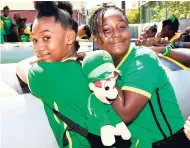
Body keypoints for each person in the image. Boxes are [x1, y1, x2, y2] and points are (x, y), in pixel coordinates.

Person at [89, 5, 187, 148]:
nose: (116, 34)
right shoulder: (107, 62)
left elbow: (125, 114)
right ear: (96, 38)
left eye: (121, 27)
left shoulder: (142, 59)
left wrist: (100, 69)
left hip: (166, 142)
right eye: (107, 30)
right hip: (137, 143)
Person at [16, 2, 91, 148]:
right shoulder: (91, 64)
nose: (38, 47)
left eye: (46, 38)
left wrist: (40, 58)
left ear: (70, 37)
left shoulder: (47, 74)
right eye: (34, 40)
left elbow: (21, 67)